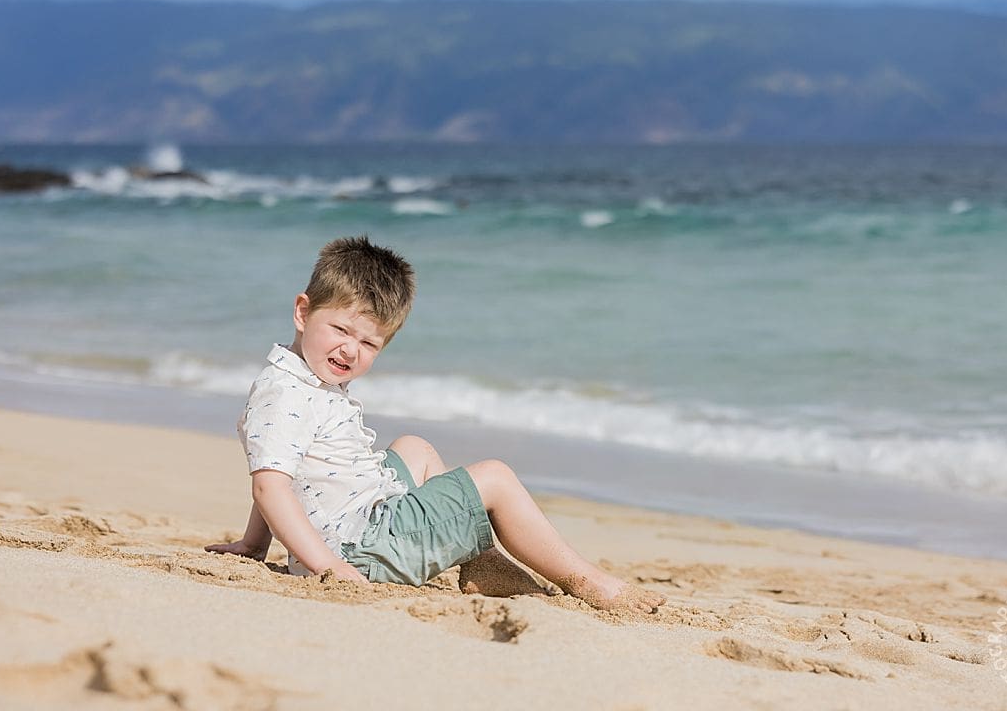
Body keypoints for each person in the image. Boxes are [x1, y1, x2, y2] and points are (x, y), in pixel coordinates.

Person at [206, 236, 664, 613]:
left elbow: (282, 466)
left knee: (415, 448)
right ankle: (593, 584)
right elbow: (271, 486)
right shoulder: (286, 392)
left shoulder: (305, 379)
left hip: (359, 527)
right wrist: (329, 567)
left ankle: (481, 558)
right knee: (496, 478)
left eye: (370, 343)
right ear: (303, 312)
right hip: (357, 552)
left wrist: (252, 544)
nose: (351, 350)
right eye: (342, 330)